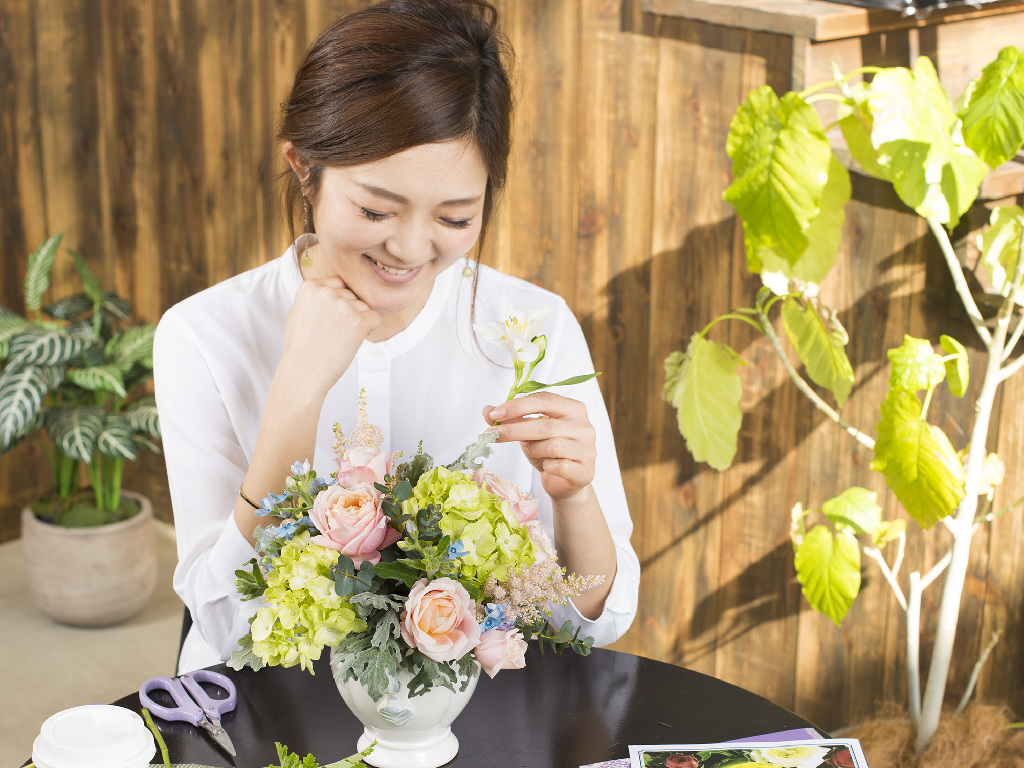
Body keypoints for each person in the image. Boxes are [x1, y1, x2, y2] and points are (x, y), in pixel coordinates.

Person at [154, 0, 639, 675]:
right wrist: (297, 389)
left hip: (459, 713)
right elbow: (229, 632)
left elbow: (590, 625)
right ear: (303, 168)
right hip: (264, 707)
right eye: (375, 209)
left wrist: (574, 498)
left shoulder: (532, 329)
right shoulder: (203, 335)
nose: (410, 248)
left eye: (455, 216)